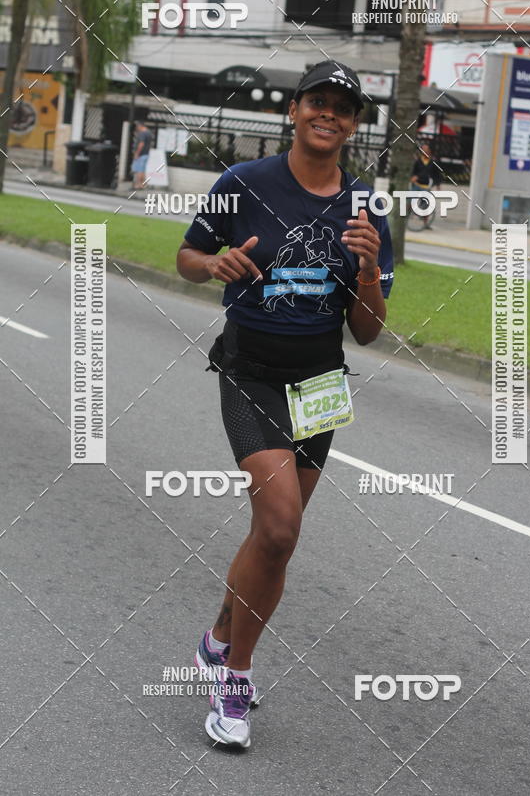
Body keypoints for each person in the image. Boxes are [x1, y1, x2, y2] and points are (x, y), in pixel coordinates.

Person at [176, 60, 394, 749]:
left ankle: (217, 637)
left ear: (354, 124)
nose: (329, 114)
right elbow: (186, 254)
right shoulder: (243, 184)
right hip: (251, 369)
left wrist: (365, 269)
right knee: (276, 528)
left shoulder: (366, 210)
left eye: (344, 107)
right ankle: (232, 684)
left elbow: (368, 329)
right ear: (295, 109)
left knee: (278, 538)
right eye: (318, 101)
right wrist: (212, 265)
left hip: (320, 382)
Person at [131, 120, 152, 189]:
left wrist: (137, 153)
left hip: (141, 154)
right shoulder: (148, 132)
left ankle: (138, 184)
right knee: (142, 170)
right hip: (146, 153)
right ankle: (143, 185)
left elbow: (141, 144)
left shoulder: (142, 133)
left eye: (137, 126)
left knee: (139, 170)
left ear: (140, 126)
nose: (136, 128)